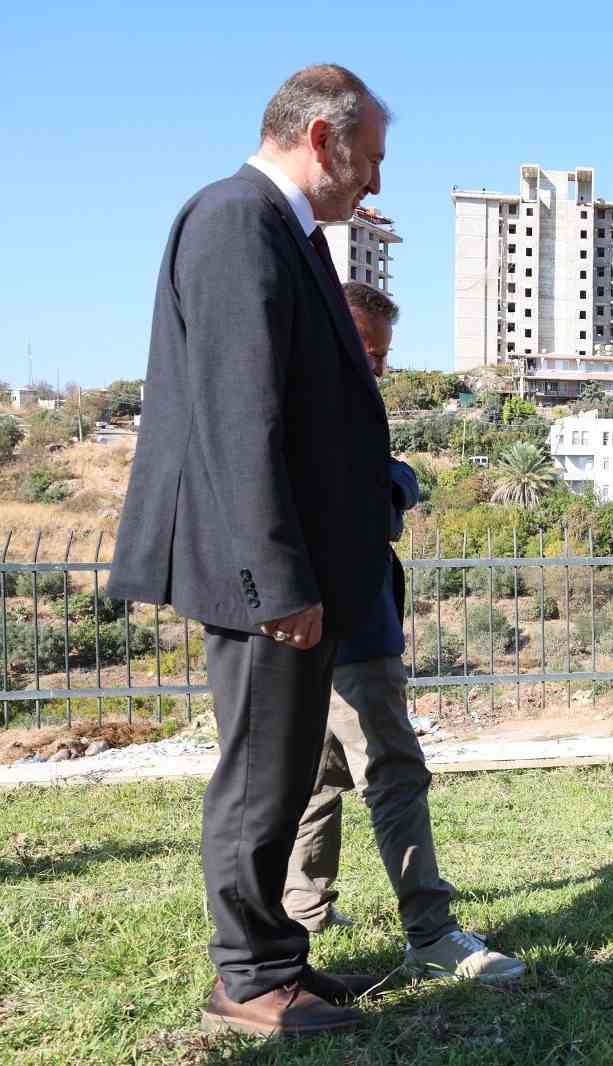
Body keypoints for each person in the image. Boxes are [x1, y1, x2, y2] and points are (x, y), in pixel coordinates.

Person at [108, 65, 394, 1036]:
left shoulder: (287, 232)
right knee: (261, 770)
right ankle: (246, 977)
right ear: (323, 137)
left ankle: (279, 958)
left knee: (282, 770)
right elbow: (239, 413)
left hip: (293, 567)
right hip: (260, 573)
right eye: (372, 161)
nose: (376, 185)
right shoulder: (238, 219)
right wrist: (275, 574)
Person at [280, 283, 524, 983]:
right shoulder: (322, 404)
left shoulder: (317, 397)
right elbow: (371, 501)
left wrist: (396, 481)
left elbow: (383, 482)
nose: (378, 366)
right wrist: (396, 487)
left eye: (385, 354)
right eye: (369, 348)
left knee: (320, 772)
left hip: (317, 622)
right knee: (393, 771)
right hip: (351, 622)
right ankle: (430, 933)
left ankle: (304, 908)